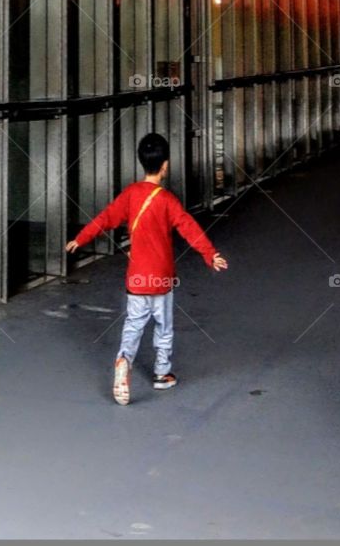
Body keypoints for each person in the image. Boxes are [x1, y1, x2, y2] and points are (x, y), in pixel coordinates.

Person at [66, 133, 228, 405]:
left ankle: (123, 360)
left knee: (133, 325)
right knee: (163, 327)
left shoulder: (130, 195)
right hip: (162, 279)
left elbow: (105, 218)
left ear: (142, 162)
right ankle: (162, 374)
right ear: (165, 165)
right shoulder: (167, 201)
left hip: (137, 278)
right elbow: (189, 228)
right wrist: (210, 255)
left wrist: (80, 238)